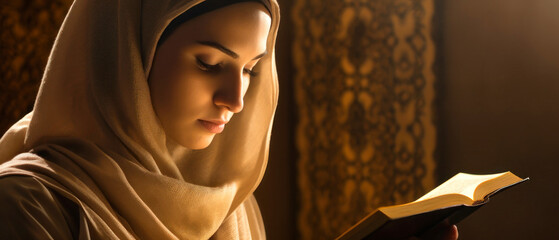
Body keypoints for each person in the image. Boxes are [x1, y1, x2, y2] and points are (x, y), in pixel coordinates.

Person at [0, 0, 457, 239]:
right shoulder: (26, 204)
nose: (236, 99)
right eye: (208, 63)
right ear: (128, 53)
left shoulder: (229, 207)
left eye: (250, 70)